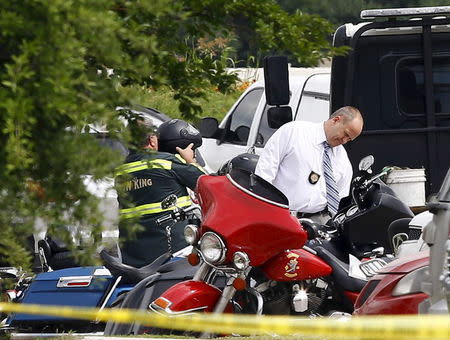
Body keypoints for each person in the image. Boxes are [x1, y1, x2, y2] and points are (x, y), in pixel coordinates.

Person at [115, 118, 206, 267]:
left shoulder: (120, 172)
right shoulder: (166, 163)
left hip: (132, 256)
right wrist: (190, 161)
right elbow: (205, 183)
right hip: (172, 253)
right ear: (151, 140)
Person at [255, 106, 364, 224]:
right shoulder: (294, 132)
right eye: (345, 134)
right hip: (280, 216)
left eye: (349, 139)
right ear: (336, 120)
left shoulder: (343, 160)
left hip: (317, 224)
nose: (344, 141)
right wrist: (263, 212)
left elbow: (341, 201)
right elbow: (264, 173)